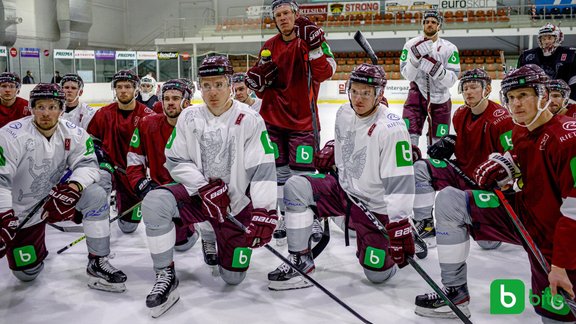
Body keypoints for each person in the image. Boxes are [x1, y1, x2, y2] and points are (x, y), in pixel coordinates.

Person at [414, 64, 576, 323]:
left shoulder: (569, 140)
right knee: (449, 200)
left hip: (557, 243)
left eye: (524, 95)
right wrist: (505, 165)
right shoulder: (524, 129)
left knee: (556, 316)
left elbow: (574, 212)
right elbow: (520, 156)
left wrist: (560, 265)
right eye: (511, 97)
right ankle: (455, 293)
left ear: (543, 94)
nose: (516, 104)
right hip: (524, 216)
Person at [141, 55, 277, 318]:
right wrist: (203, 187)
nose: (212, 92)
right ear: (199, 87)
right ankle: (165, 274)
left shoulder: (249, 119)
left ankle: (212, 234)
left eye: (218, 84)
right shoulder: (189, 117)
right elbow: (175, 159)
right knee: (156, 201)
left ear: (229, 84)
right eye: (206, 85)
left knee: (233, 278)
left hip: (234, 207)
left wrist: (265, 211)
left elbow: (262, 169)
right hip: (198, 198)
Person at [267, 63, 419, 290]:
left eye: (366, 93)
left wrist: (399, 223)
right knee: (296, 186)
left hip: (375, 207)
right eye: (354, 91)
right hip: (343, 192)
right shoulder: (344, 113)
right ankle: (301, 261)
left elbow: (401, 184)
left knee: (377, 275)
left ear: (379, 94)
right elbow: (346, 144)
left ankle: (374, 234)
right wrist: (332, 149)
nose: (358, 98)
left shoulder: (392, 129)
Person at [0, 83, 126, 292]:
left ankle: (98, 260)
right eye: (40, 107)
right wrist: (3, 215)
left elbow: (87, 164)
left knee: (94, 194)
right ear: (32, 108)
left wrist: (74, 187)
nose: (46, 113)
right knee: (26, 274)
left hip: (55, 200)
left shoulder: (74, 133)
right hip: (19, 213)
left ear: (61, 108)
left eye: (52, 107)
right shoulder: (10, 135)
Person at [245, 0, 336, 244]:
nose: (283, 18)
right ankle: (286, 215)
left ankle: (312, 214)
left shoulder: (312, 40)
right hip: (273, 121)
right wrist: (257, 83)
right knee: (279, 173)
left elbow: (325, 73)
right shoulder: (269, 46)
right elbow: (262, 92)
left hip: (304, 123)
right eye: (278, 15)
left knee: (303, 174)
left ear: (296, 15)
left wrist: (316, 47)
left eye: (286, 13)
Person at [412, 68, 514, 250]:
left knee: (488, 243)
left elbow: (512, 158)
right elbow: (467, 142)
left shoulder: (502, 119)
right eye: (465, 88)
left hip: (485, 185)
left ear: (487, 89)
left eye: (473, 87)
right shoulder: (459, 114)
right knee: (421, 167)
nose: (468, 92)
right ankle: (426, 224)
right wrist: (450, 143)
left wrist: (502, 182)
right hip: (461, 173)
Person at [126, 79, 217, 263]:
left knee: (210, 209)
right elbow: (134, 160)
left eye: (175, 98)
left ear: (186, 101)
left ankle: (209, 238)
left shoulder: (203, 125)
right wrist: (140, 183)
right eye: (166, 98)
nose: (170, 102)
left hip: (194, 189)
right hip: (164, 191)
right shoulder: (147, 124)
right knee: (180, 244)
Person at [87, 70, 155, 234]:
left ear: (136, 89)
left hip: (133, 174)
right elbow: (92, 141)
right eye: (119, 87)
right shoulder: (103, 113)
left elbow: (155, 148)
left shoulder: (148, 116)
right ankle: (99, 224)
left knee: (128, 227)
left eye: (127, 86)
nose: (123, 90)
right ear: (114, 89)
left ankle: (120, 202)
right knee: (100, 187)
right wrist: (102, 159)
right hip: (108, 168)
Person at [400, 10, 460, 147]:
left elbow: (452, 80)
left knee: (438, 143)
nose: (429, 25)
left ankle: (434, 166)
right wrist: (414, 60)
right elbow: (407, 75)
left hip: (441, 100)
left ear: (439, 26)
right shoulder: (410, 45)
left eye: (433, 22)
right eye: (426, 22)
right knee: (409, 137)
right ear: (422, 25)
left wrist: (439, 72)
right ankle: (413, 164)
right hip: (416, 97)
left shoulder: (450, 48)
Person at [517, 23, 576, 101]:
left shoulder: (571, 54)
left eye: (549, 38)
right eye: (543, 39)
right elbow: (520, 78)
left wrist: (570, 99)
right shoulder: (527, 56)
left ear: (558, 38)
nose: (546, 41)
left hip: (564, 98)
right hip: (537, 98)